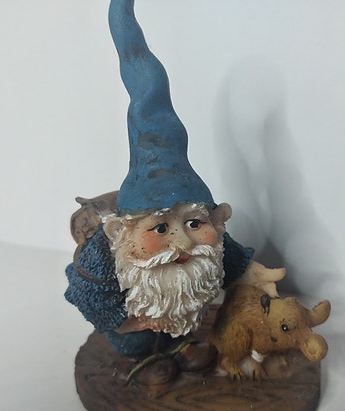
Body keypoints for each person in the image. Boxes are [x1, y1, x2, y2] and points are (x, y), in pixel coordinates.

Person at [65, 0, 258, 383]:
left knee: (184, 332)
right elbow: (86, 296)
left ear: (215, 219)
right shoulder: (103, 259)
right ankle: (140, 358)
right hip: (131, 328)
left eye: (194, 223)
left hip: (183, 319)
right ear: (123, 232)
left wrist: (256, 278)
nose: (182, 243)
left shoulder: (211, 247)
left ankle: (178, 345)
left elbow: (236, 264)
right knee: (135, 343)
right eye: (160, 228)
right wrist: (132, 322)